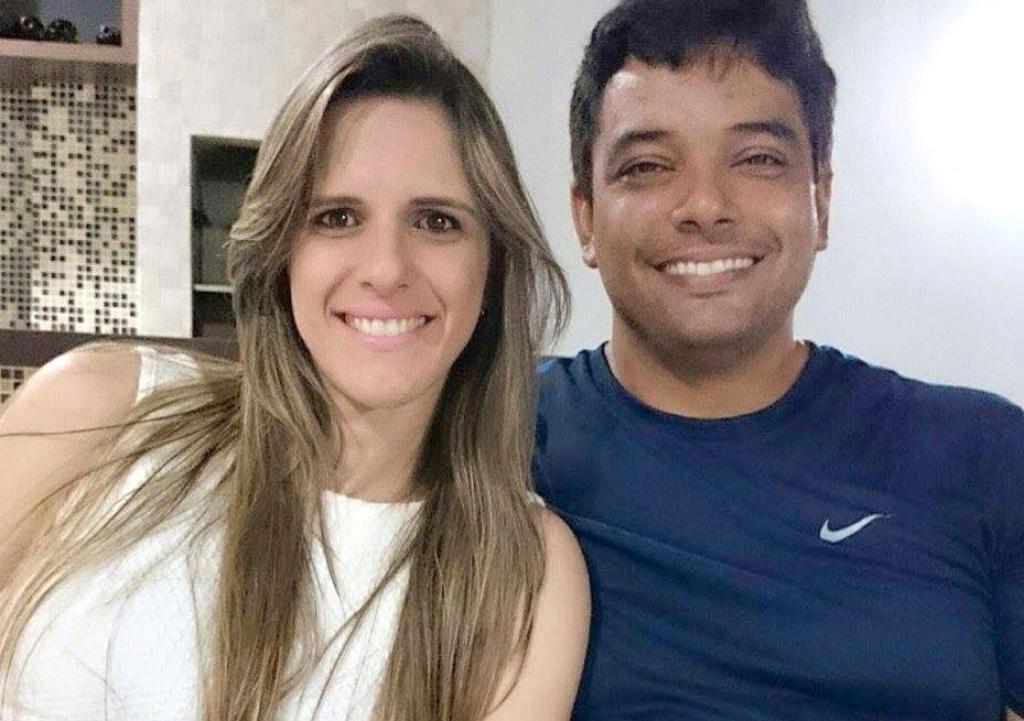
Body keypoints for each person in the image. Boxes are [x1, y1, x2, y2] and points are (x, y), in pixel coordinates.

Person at [0, 15, 589, 721]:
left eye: (437, 221)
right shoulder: (94, 410)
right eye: (337, 217)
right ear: (282, 253)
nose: (385, 269)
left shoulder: (525, 577)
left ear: (492, 269)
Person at [533, 0, 1024, 719]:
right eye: (648, 166)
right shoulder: (490, 438)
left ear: (821, 197)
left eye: (758, 159)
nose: (705, 205)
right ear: (585, 216)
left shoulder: (984, 455)